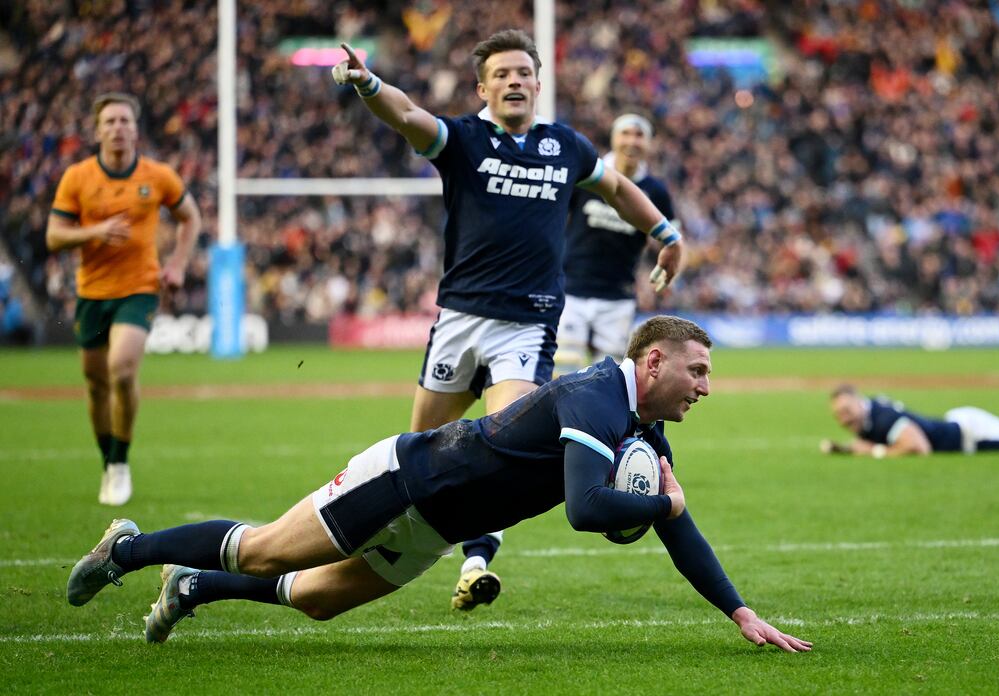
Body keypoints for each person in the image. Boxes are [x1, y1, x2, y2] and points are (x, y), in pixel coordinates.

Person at [66, 316, 813, 652]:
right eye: (699, 370)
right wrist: (660, 501)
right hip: (405, 478)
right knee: (263, 553)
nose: (706, 388)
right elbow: (588, 511)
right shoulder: (594, 397)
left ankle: (192, 587)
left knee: (320, 601)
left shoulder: (642, 427)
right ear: (654, 363)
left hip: (439, 525)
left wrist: (740, 612)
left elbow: (675, 526)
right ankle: (126, 552)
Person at [331, 29, 685, 610]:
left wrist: (665, 235)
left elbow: (619, 187)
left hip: (527, 325)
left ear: (539, 84)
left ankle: (475, 562)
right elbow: (408, 116)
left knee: (504, 453)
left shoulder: (565, 147)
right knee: (418, 449)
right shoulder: (464, 140)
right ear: (483, 87)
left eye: (523, 72)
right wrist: (369, 83)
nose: (514, 81)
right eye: (502, 74)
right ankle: (360, 535)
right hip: (459, 320)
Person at [46, 92, 201, 505]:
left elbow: (191, 217)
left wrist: (178, 265)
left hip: (139, 288)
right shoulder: (78, 177)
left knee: (122, 368)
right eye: (110, 121)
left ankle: (120, 462)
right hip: (92, 292)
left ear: (135, 128)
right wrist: (93, 233)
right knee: (96, 384)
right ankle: (108, 461)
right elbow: (54, 236)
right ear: (97, 131)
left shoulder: (158, 176)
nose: (118, 128)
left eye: (125, 121)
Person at [555, 112, 676, 374]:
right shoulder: (588, 177)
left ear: (650, 144)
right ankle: (560, 417)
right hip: (570, 289)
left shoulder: (655, 191)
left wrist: (670, 270)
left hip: (618, 295)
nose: (632, 141)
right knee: (562, 371)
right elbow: (556, 217)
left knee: (609, 377)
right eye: (626, 134)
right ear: (613, 139)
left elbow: (674, 240)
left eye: (639, 135)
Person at [823, 384, 999, 457]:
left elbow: (920, 447)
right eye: (838, 415)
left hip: (971, 434)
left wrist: (875, 452)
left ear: (859, 402)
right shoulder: (871, 416)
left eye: (846, 411)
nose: (843, 419)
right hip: (959, 424)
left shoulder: (883, 419)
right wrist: (843, 449)